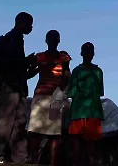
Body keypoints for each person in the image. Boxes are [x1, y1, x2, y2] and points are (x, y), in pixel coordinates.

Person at [0, 12, 37, 164]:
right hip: (9, 86)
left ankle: (20, 158)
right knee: (4, 121)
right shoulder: (12, 39)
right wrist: (26, 61)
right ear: (22, 23)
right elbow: (12, 63)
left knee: (19, 123)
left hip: (16, 86)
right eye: (29, 24)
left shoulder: (13, 39)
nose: (31, 27)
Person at [28, 30, 71, 166]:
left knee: (50, 133)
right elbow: (29, 73)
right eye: (51, 39)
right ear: (47, 41)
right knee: (37, 132)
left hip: (52, 96)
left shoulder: (63, 58)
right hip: (43, 95)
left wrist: (62, 90)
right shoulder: (40, 57)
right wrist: (40, 67)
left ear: (58, 41)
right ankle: (36, 161)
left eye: (55, 39)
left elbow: (66, 76)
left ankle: (45, 162)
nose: (53, 41)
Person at [66, 43, 103, 166]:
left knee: (78, 143)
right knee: (90, 147)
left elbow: (71, 92)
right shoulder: (97, 71)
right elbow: (100, 91)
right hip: (91, 110)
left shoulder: (78, 71)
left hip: (80, 110)